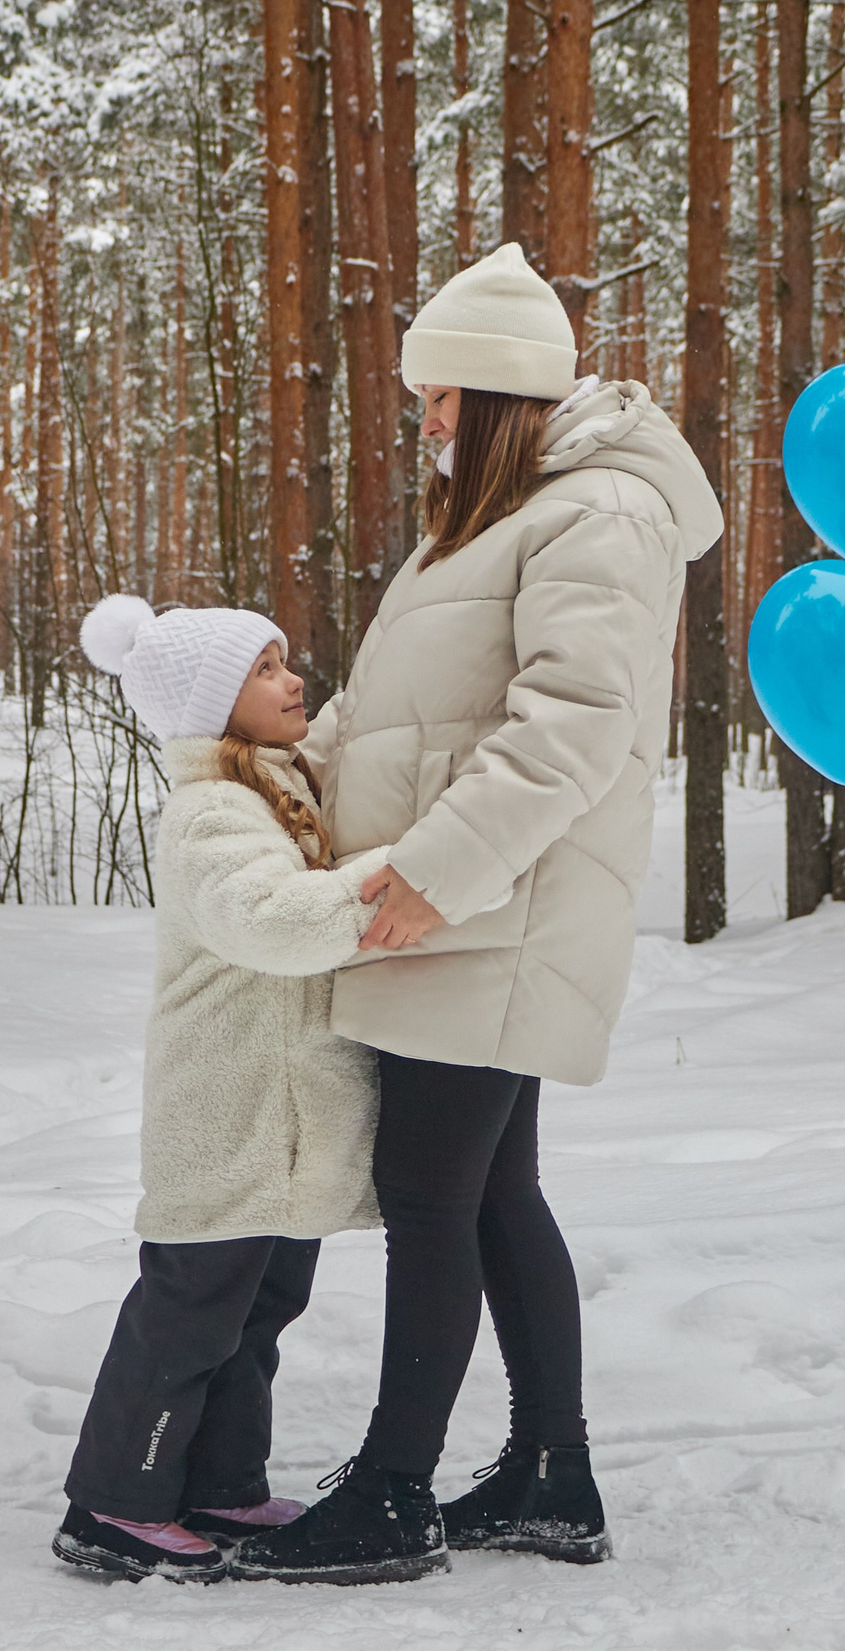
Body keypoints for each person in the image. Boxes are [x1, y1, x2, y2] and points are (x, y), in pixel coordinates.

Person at [233, 243, 723, 1585]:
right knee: (496, 1188)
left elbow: (568, 728)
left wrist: (435, 870)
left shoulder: (596, 517)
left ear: (505, 393)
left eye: (444, 396)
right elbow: (398, 709)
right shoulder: (500, 519)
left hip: (499, 903)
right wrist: (274, 784)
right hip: (468, 901)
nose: (427, 422)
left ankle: (393, 1488)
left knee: (432, 1187)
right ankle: (550, 1473)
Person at [50, 594, 391, 1583]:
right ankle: (115, 1501)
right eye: (268, 669)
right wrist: (389, 876)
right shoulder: (209, 810)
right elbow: (269, 920)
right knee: (189, 1317)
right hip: (227, 1113)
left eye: (289, 662)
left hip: (280, 1126)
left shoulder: (272, 787)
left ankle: (221, 1484)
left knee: (256, 1313)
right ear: (211, 701)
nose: (294, 682)